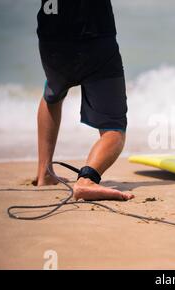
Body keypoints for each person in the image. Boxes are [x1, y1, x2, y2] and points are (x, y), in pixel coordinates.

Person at [34, 0, 134, 201]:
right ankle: (87, 179)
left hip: (51, 39)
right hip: (95, 38)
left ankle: (44, 173)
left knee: (53, 93)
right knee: (114, 129)